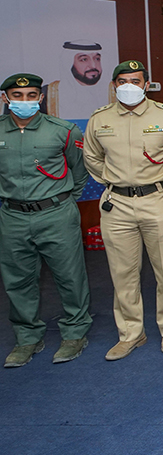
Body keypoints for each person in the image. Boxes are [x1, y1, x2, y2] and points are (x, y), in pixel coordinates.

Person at [82, 60, 163, 360]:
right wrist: (116, 180)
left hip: (158, 199)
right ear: (113, 85)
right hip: (117, 204)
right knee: (122, 273)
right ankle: (131, 333)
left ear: (146, 84)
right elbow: (92, 157)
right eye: (122, 81)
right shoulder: (99, 119)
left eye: (135, 81)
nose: (129, 86)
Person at [1, 72, 92, 367]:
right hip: (12, 216)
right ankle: (27, 338)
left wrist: (64, 201)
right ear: (6, 99)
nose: (24, 101)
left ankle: (75, 333)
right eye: (17, 96)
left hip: (56, 214)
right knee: (18, 280)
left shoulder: (63, 130)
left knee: (70, 276)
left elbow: (79, 171)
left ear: (40, 98)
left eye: (31, 96)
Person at [53, 40, 107, 119]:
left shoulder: (113, 92)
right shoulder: (50, 94)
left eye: (97, 59)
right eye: (84, 59)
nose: (93, 66)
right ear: (69, 63)